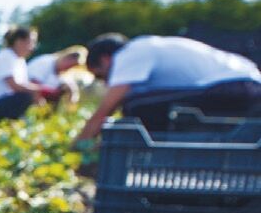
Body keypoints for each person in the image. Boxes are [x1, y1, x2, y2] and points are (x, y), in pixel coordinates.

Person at [76, 33, 261, 140]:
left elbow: (105, 110)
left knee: (135, 105)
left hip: (233, 85)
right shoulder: (148, 47)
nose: (106, 83)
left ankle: (153, 156)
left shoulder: (129, 54)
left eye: (100, 75)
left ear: (105, 59)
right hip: (246, 84)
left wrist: (78, 146)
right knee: (144, 103)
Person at [0, 27, 59, 122]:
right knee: (25, 96)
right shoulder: (6, 56)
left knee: (28, 96)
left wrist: (39, 97)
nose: (33, 47)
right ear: (19, 41)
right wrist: (40, 90)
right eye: (31, 42)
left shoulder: (20, 61)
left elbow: (24, 86)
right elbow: (14, 86)